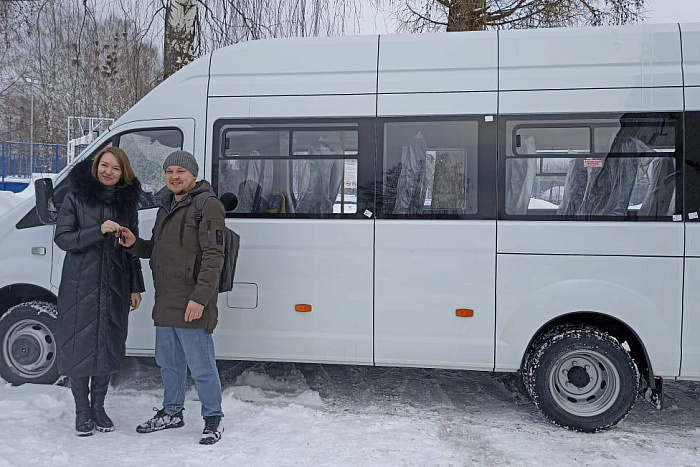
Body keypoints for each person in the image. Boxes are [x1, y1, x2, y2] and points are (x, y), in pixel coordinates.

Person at [119, 150, 226, 445]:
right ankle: (171, 412)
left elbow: (215, 255)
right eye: (169, 172)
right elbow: (158, 249)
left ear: (193, 174)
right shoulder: (166, 205)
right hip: (166, 299)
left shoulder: (208, 205)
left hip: (192, 301)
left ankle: (213, 418)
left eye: (180, 171)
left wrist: (200, 298)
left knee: (201, 364)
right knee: (169, 362)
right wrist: (135, 244)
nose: (174, 177)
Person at [54, 147, 145, 437]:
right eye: (104, 165)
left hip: (116, 286)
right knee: (80, 348)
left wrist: (135, 287)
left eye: (115, 168)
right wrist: (98, 230)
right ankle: (82, 411)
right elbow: (63, 238)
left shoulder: (127, 204)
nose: (108, 171)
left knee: (108, 345)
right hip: (80, 285)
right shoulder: (76, 196)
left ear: (123, 173)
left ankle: (99, 407)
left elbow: (132, 248)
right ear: (95, 167)